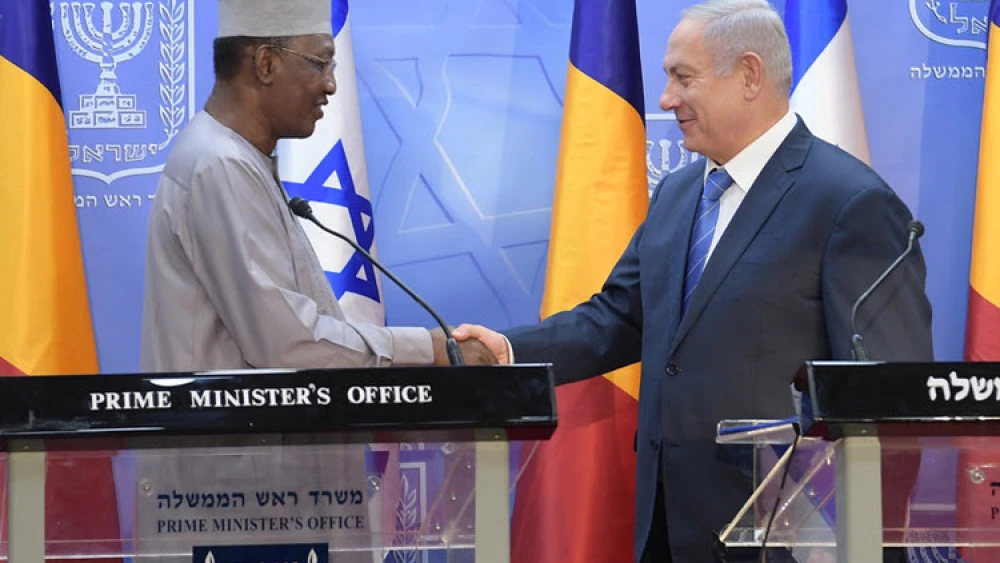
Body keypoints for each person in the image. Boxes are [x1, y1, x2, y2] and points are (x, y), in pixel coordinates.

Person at [454, 0, 933, 561]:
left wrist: (865, 542)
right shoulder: (680, 193)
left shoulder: (849, 203)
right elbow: (620, 318)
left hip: (784, 538)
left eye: (683, 78)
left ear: (750, 75)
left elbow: (890, 397)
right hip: (665, 527)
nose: (665, 99)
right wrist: (508, 349)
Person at [140, 0, 494, 372]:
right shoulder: (220, 164)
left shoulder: (236, 158)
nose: (330, 84)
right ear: (266, 64)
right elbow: (287, 346)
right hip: (226, 431)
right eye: (320, 63)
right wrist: (432, 348)